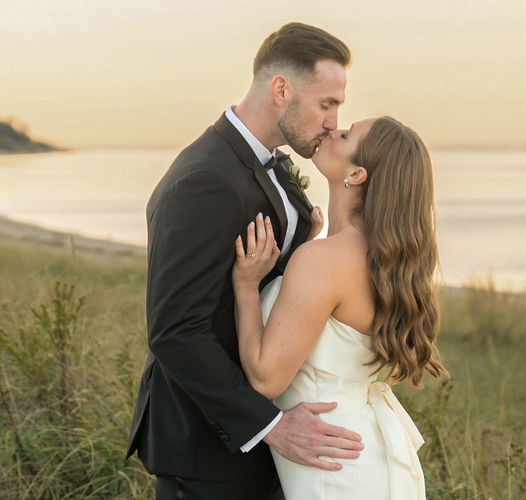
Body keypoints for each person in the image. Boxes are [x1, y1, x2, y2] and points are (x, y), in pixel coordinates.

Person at [128, 22, 365, 499]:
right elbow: (175, 330)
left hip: (263, 444)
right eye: (326, 104)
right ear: (281, 89)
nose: (333, 121)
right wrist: (270, 426)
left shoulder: (268, 162)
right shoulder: (204, 180)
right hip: (208, 454)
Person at [232, 116, 445, 498]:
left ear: (357, 174)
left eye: (345, 136)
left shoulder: (326, 260)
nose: (332, 130)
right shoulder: (384, 260)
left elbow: (266, 379)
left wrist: (247, 287)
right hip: (361, 452)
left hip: (333, 465)